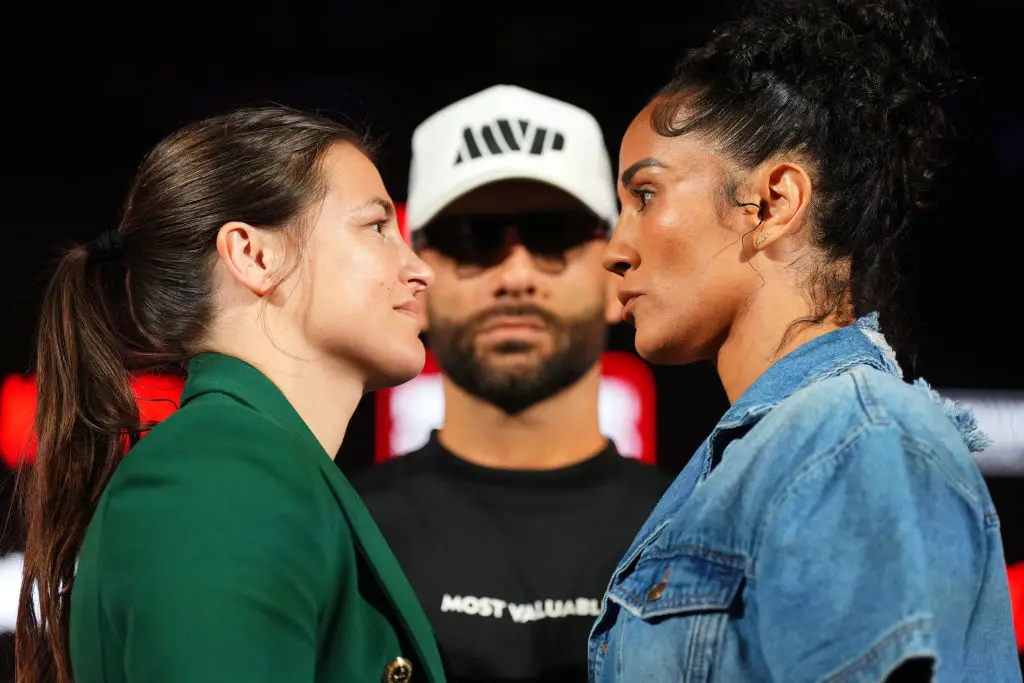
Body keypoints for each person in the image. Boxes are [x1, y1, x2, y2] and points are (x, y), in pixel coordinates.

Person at [590, 1, 1021, 681]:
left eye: (644, 194)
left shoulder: (854, 437)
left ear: (772, 202)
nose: (615, 247)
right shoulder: (785, 450)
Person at [16, 105, 446, 683]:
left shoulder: (246, 467)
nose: (419, 270)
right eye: (376, 226)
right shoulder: (215, 475)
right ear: (253, 255)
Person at [353, 85, 672, 683]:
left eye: (552, 235)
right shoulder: (346, 537)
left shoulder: (698, 525)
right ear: (416, 279)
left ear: (613, 276)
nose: (516, 274)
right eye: (472, 239)